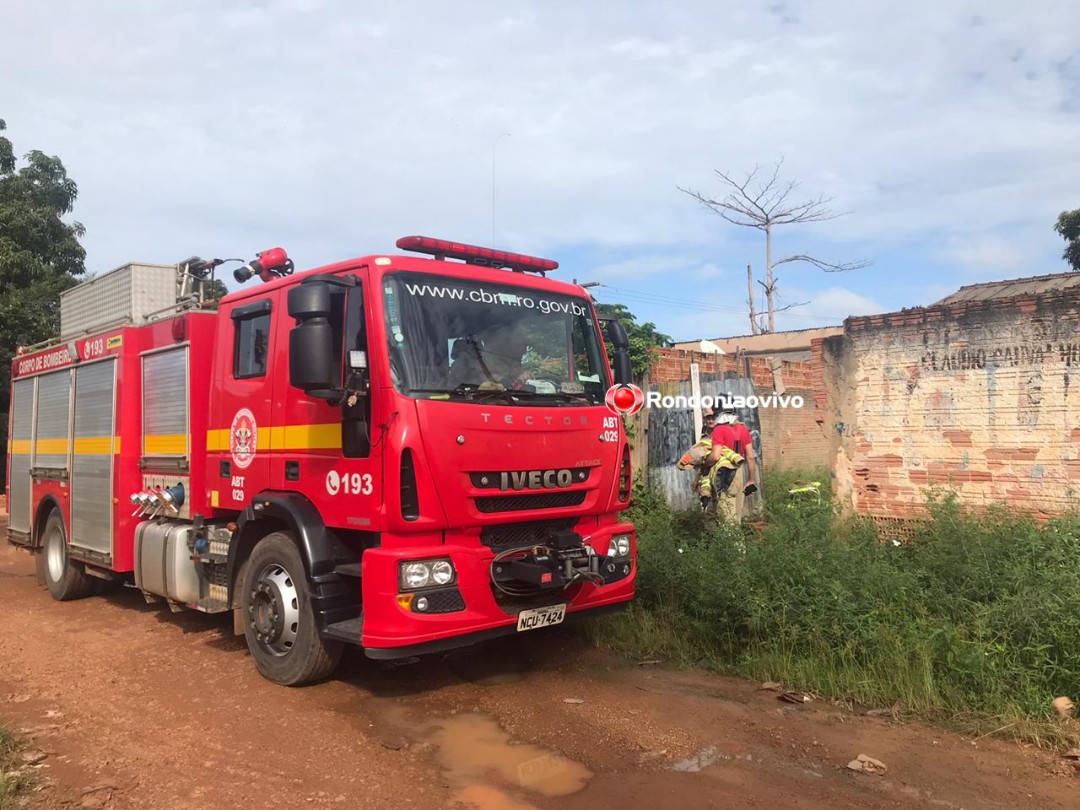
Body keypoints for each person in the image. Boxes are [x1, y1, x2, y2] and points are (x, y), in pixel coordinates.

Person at [705, 401, 758, 521]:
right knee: (736, 515)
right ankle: (737, 539)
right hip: (739, 472)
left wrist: (705, 463)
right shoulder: (744, 429)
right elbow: (750, 456)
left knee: (726, 514)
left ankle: (727, 539)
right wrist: (751, 479)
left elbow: (715, 456)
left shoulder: (719, 429)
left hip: (725, 473)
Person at [448, 323, 530, 389]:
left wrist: (520, 378)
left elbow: (516, 385)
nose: (525, 350)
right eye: (523, 344)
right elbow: (455, 389)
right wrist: (502, 380)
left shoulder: (513, 362)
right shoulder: (479, 361)